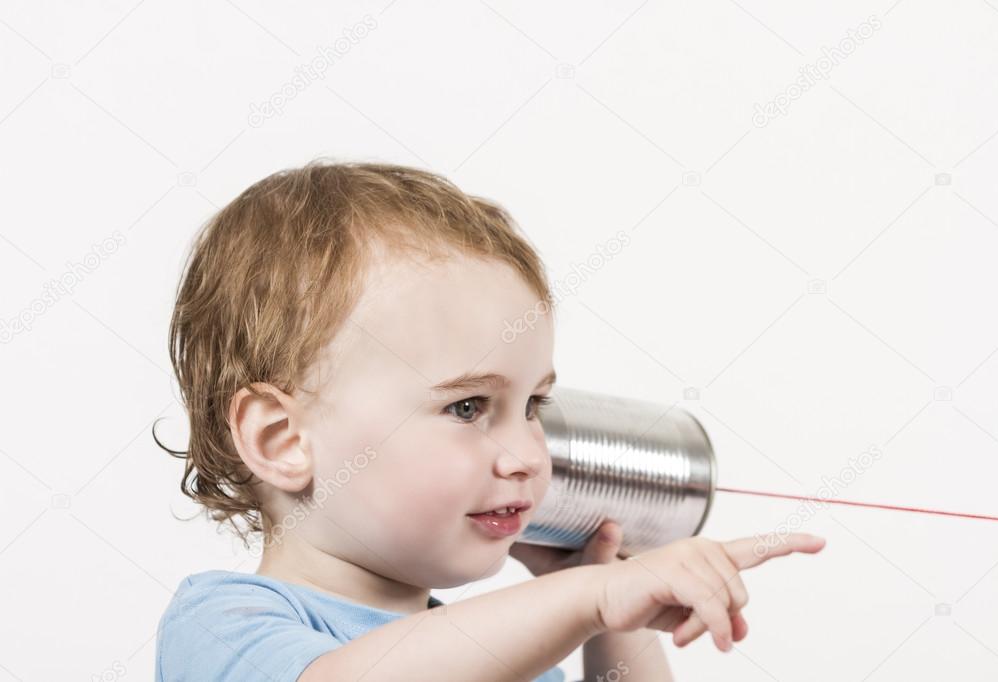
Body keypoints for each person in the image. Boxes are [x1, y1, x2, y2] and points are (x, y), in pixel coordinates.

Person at [154, 160, 826, 681]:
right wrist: (591, 598)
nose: (528, 457)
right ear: (284, 439)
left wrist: (621, 620)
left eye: (532, 406)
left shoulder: (511, 658)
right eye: (467, 407)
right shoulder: (224, 628)